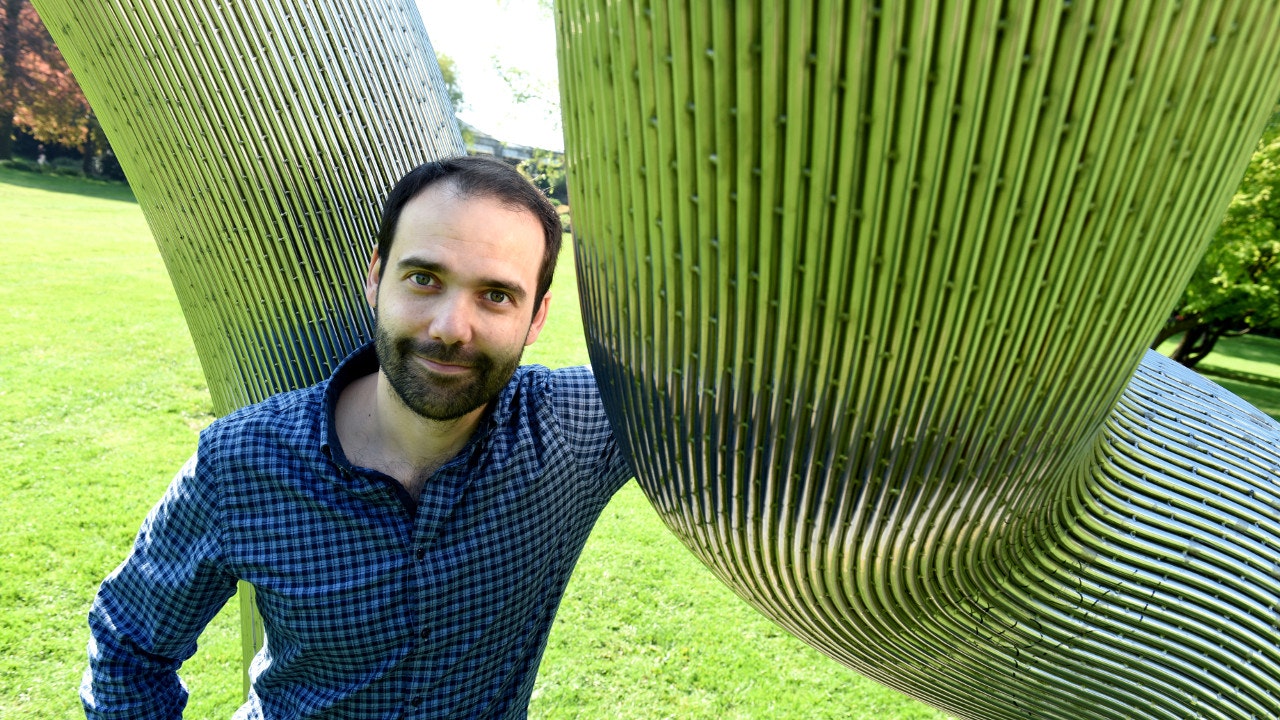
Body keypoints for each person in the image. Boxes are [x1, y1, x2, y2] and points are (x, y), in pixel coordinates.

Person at [81, 156, 633, 718]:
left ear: (536, 318)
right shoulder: (241, 463)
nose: (449, 328)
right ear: (375, 279)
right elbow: (129, 646)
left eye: (495, 295)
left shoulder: (578, 427)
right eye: (424, 279)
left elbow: (715, 388)